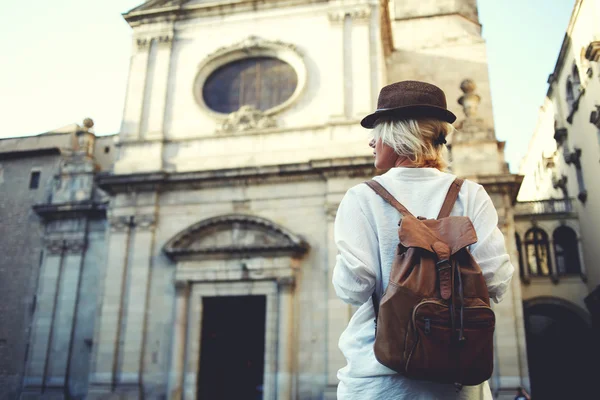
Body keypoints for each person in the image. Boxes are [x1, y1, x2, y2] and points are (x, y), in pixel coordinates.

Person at [332, 80, 515, 400]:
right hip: (458, 380)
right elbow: (496, 281)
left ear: (395, 135)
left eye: (377, 132)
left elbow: (352, 287)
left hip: (380, 379)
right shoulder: (471, 194)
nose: (371, 142)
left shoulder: (361, 198)